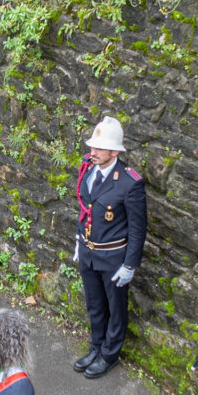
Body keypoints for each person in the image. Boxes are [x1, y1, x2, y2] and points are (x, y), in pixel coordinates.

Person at [73, 115, 147, 378]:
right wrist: (78, 240)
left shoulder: (130, 182)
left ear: (114, 152)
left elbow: (138, 228)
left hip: (113, 256)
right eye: (92, 147)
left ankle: (109, 354)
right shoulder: (88, 169)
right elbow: (85, 208)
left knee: (115, 308)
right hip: (89, 253)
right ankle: (96, 346)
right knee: (94, 304)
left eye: (99, 148)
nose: (92, 152)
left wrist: (130, 264)